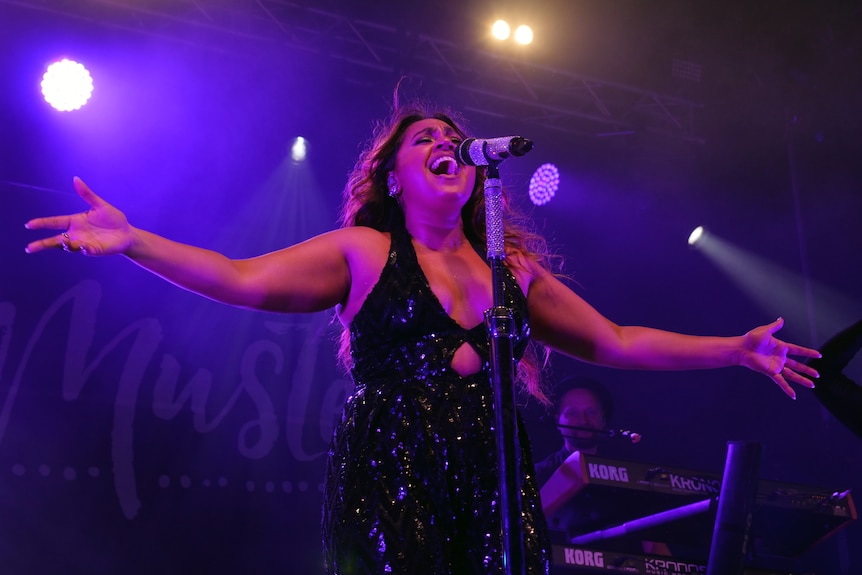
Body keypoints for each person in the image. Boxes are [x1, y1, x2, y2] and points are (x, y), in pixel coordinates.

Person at [24, 97, 821, 575]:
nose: (445, 143)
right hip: (392, 461)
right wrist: (135, 240)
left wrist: (735, 348)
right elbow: (239, 277)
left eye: (453, 136)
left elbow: (612, 339)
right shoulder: (367, 251)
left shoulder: (512, 270)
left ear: (474, 169)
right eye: (423, 139)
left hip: (492, 468)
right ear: (395, 176)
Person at [534, 376, 671, 556]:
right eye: (572, 413)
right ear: (558, 421)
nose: (583, 421)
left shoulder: (629, 477)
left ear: (603, 420)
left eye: (591, 412)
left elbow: (654, 547)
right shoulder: (538, 474)